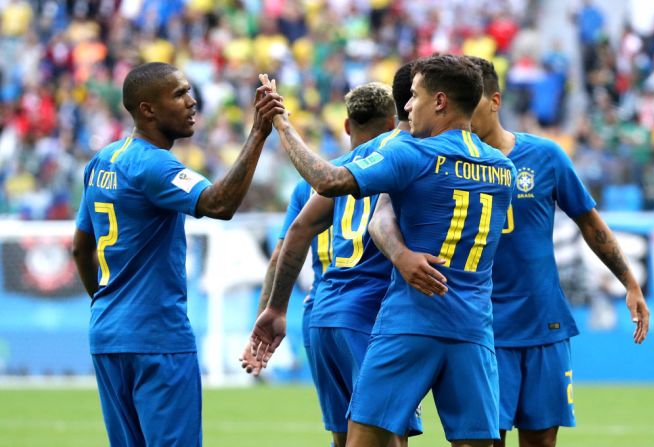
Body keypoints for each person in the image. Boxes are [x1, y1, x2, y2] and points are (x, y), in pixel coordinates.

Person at [368, 56, 651, 447]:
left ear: (493, 102)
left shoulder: (545, 157)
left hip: (543, 324)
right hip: (484, 324)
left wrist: (630, 283)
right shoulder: (431, 156)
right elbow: (383, 213)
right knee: (487, 440)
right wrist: (400, 255)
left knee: (541, 442)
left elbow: (591, 223)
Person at [252, 55, 516, 447]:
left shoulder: (412, 153)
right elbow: (387, 215)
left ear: (439, 102)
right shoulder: (502, 168)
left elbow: (328, 180)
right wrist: (401, 253)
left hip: (409, 321)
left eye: (414, 97)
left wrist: (282, 124)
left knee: (364, 441)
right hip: (472, 325)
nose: (407, 107)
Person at [71, 62, 282, 446]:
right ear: (148, 109)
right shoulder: (155, 166)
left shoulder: (102, 161)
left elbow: (79, 247)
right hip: (157, 338)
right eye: (180, 94)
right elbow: (219, 204)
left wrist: (105, 304)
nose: (192, 101)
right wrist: (257, 133)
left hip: (107, 336)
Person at [252, 77, 423, 447]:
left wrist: (270, 310)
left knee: (346, 438)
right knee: (388, 436)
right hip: (371, 314)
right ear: (394, 121)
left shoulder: (309, 185)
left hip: (321, 315)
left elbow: (283, 250)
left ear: (347, 125)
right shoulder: (404, 161)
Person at [239, 177, 332, 379]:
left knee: (337, 409)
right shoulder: (380, 172)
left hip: (319, 306)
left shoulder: (306, 186)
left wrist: (261, 325)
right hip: (370, 308)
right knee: (383, 408)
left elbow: (278, 257)